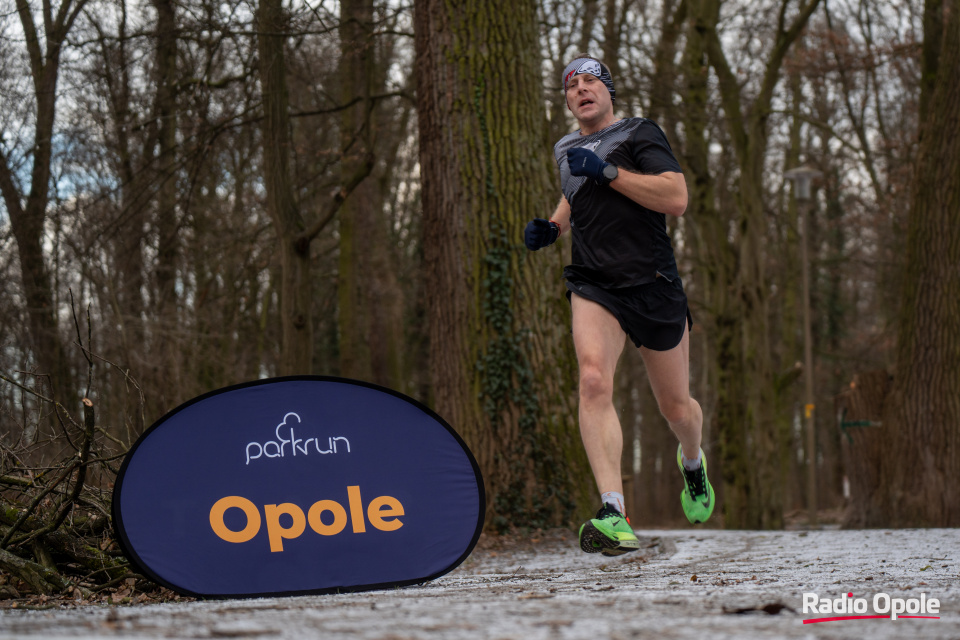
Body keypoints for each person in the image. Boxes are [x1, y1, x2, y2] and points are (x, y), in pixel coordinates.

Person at [524, 55, 715, 556]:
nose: (581, 89)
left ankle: (692, 464)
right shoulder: (564, 148)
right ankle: (614, 511)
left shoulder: (639, 133)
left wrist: (610, 171)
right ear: (567, 100)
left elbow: (675, 197)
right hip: (593, 282)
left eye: (591, 81)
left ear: (608, 92)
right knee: (592, 379)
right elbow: (576, 195)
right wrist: (553, 226)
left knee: (677, 408)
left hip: (651, 281)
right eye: (572, 85)